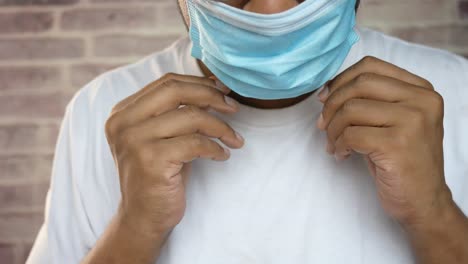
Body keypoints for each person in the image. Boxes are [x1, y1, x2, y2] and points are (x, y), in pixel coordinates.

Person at [26, 0, 468, 263]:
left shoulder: (454, 91)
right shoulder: (102, 109)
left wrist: (433, 211)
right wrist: (134, 229)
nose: (271, 11)